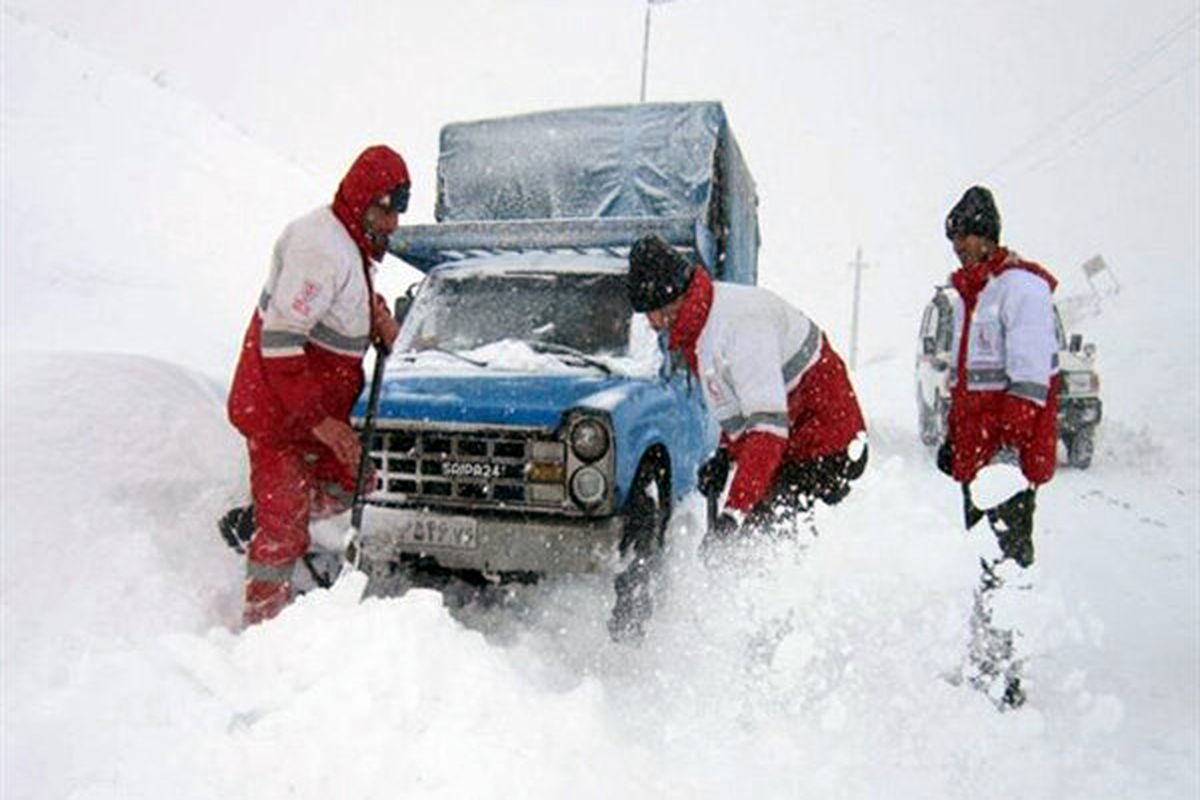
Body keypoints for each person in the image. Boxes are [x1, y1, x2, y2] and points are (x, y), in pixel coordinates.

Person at [222, 144, 410, 626]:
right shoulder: (318, 245)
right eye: (386, 212)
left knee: (361, 483)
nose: (392, 226)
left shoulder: (353, 243)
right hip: (280, 416)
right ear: (363, 200)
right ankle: (260, 628)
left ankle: (263, 519)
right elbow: (281, 344)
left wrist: (378, 318)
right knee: (284, 526)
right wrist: (324, 425)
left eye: (397, 214)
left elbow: (345, 300)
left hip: (313, 416)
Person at [626, 233, 868, 550]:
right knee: (759, 526)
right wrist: (726, 455)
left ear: (667, 301)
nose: (649, 322)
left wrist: (732, 515)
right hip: (792, 435)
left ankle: (797, 592)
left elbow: (767, 430)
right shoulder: (700, 331)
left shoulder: (739, 326)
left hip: (827, 441)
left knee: (765, 535)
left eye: (649, 312)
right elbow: (742, 409)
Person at [937, 185, 1060, 709]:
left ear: (988, 236)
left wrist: (1008, 451)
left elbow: (1031, 381)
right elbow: (969, 380)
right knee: (985, 560)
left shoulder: (1022, 292)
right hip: (977, 456)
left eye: (966, 237)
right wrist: (953, 439)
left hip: (1003, 459)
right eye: (955, 240)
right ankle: (982, 662)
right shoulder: (975, 295)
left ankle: (1006, 679)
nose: (959, 247)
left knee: (1008, 563)